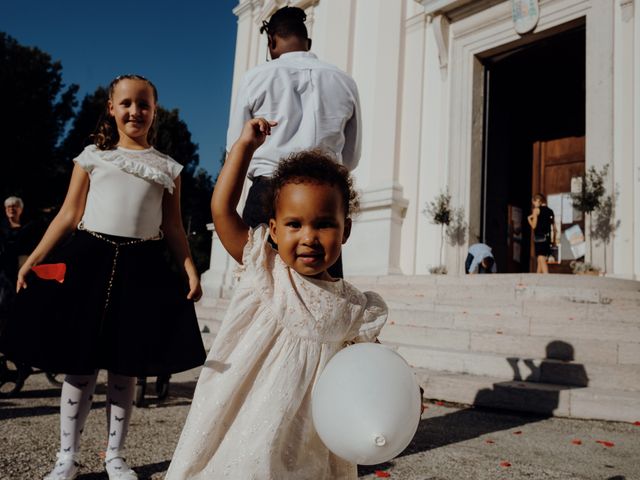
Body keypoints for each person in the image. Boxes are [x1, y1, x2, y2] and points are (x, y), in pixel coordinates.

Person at [0, 74, 206, 480]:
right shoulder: (92, 156)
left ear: (154, 111)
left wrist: (189, 268)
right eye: (127, 103)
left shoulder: (168, 168)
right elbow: (68, 215)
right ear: (111, 108)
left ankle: (114, 455)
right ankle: (66, 457)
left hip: (141, 266)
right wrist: (33, 259)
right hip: (89, 262)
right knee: (80, 365)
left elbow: (174, 228)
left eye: (144, 104)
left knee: (125, 366)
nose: (136, 111)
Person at [165, 118, 387, 479]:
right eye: (294, 224)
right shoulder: (265, 269)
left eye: (324, 224)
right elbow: (222, 211)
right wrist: (244, 148)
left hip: (312, 441)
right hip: (249, 428)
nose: (309, 237)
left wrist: (400, 393)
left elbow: (371, 370)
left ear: (345, 229)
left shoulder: (355, 309)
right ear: (273, 230)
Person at [226, 6, 362, 278]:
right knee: (323, 296)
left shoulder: (255, 78)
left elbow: (236, 148)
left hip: (267, 195)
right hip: (322, 198)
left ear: (271, 40)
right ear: (307, 42)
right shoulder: (344, 81)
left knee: (262, 296)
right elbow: (351, 157)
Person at [527, 193, 557, 274]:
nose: (534, 204)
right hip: (547, 238)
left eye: (534, 202)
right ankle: (538, 278)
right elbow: (554, 229)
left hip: (539, 238)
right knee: (540, 259)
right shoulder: (550, 211)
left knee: (541, 258)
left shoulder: (536, 210)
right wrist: (554, 241)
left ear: (538, 201)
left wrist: (529, 219)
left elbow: (534, 226)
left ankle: (546, 277)